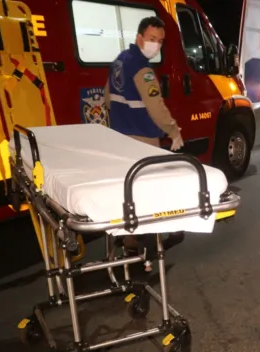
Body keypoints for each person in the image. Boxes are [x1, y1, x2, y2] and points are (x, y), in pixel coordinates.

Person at [104, 16, 185, 264]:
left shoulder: (120, 61)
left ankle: (130, 244)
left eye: (160, 41)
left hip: (121, 137)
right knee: (151, 191)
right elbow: (155, 107)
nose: (156, 45)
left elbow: (107, 97)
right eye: (152, 39)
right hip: (143, 138)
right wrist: (173, 131)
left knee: (130, 192)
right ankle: (151, 249)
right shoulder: (143, 69)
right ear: (139, 38)